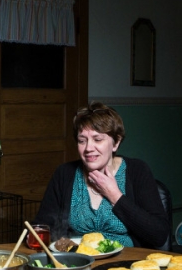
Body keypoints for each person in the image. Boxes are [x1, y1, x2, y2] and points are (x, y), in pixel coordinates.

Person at [33, 102, 170, 249]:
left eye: (97, 139)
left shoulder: (137, 170)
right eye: (82, 141)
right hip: (77, 262)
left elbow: (158, 235)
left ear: (116, 142)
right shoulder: (65, 173)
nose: (88, 148)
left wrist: (115, 196)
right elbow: (42, 227)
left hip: (125, 264)